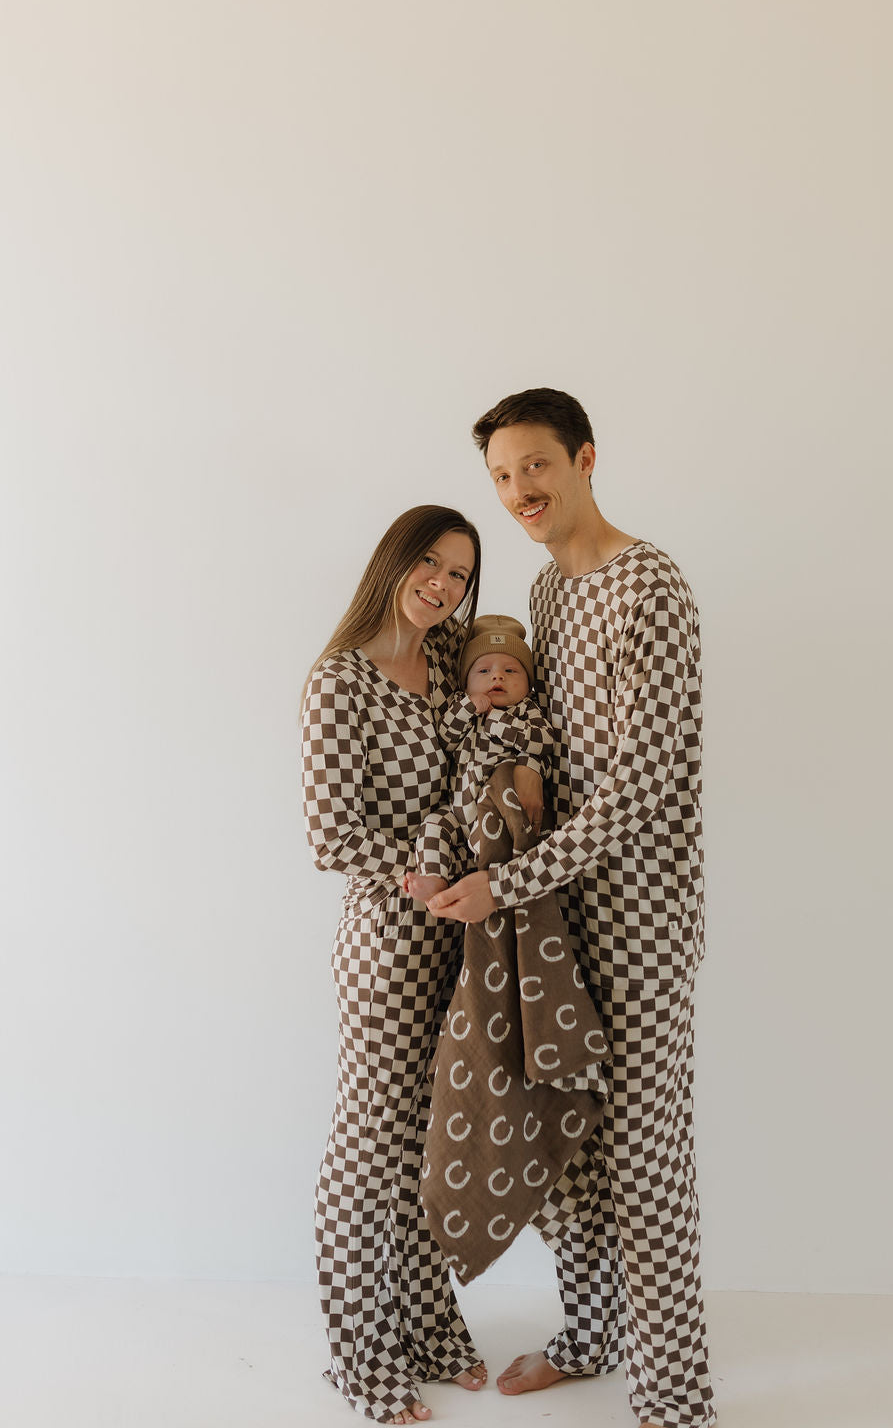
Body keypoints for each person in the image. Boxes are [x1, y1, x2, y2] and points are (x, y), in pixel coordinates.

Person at [429, 391, 717, 1428]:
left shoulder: (653, 586)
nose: (519, 493)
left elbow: (639, 790)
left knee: (644, 1157)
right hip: (551, 923)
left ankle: (676, 1398)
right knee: (565, 1148)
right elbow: (537, 750)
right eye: (501, 477)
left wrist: (504, 881)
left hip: (636, 914)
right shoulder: (545, 595)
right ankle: (593, 1334)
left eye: (536, 468)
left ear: (585, 458)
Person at [300, 504, 488, 1427]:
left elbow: (505, 691)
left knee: (428, 1144)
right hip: (388, 941)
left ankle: (427, 1325)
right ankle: (358, 1355)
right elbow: (332, 836)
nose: (443, 587)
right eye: (431, 565)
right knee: (369, 1146)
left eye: (459, 574)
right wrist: (424, 878)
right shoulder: (340, 681)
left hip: (461, 937)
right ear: (394, 562)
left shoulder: (452, 658)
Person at [405, 613, 554, 907]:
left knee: (490, 844)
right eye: (484, 671)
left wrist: (497, 722)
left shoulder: (525, 710)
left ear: (528, 684)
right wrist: (467, 708)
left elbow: (543, 741)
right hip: (457, 807)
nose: (497, 676)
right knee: (434, 825)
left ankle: (496, 888)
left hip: (492, 809)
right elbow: (446, 738)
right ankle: (434, 877)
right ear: (466, 682)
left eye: (511, 671)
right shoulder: (463, 707)